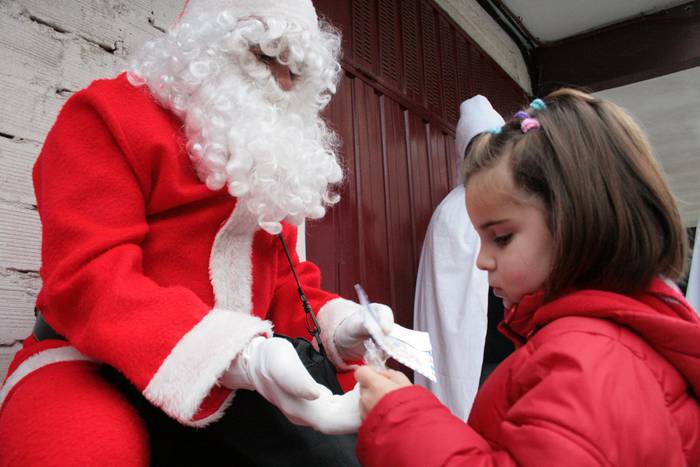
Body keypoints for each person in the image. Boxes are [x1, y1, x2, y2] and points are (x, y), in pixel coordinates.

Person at [0, 0, 395, 465]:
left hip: (231, 379)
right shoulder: (108, 113)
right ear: (207, 42)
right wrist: (241, 353)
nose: (283, 84)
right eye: (267, 55)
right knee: (87, 450)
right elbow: (90, 279)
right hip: (92, 359)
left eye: (298, 70)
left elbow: (283, 282)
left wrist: (337, 323)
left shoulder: (261, 160)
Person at [355, 88, 700, 466]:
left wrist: (401, 418)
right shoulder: (609, 344)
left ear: (578, 219)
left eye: (501, 238)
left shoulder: (583, 359)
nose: (482, 261)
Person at [413, 95, 503, 420]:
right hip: (478, 362)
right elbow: (451, 317)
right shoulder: (453, 213)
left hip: (509, 351)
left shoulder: (514, 199)